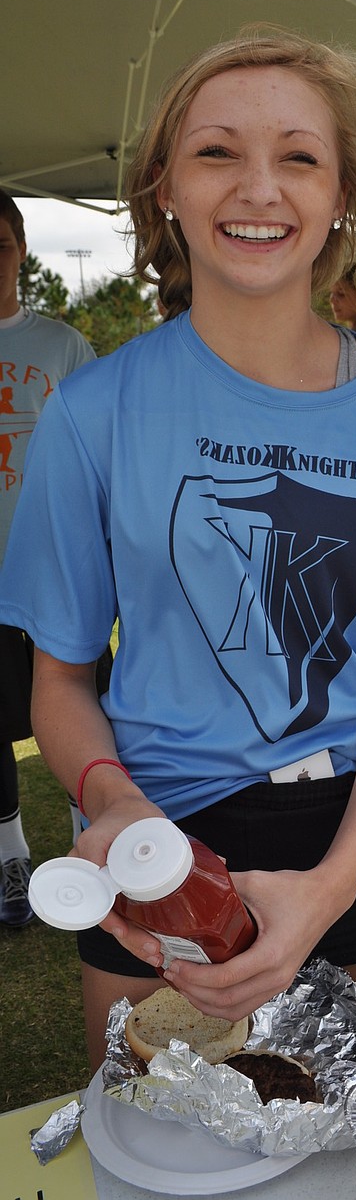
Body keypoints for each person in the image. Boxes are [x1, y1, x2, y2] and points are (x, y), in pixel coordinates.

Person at [0, 27, 356, 1066]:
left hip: (341, 838)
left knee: (334, 1133)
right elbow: (61, 678)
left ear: (341, 196)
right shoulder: (93, 411)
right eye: (217, 151)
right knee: (145, 1127)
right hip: (151, 833)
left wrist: (328, 890)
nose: (258, 188)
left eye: (299, 156)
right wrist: (114, 801)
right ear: (165, 187)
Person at [0, 189, 95, 928]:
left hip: (56, 572)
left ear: (21, 251)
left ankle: (90, 855)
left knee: (79, 708)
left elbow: (97, 454)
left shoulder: (62, 345)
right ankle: (10, 861)